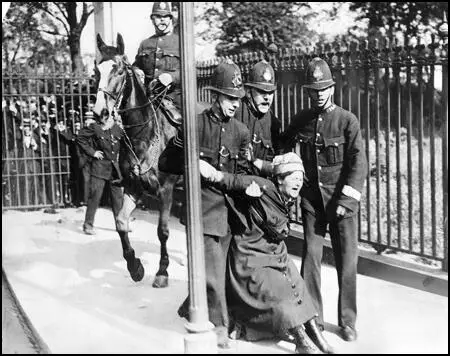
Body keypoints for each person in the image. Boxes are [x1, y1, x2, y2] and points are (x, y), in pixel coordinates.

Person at [197, 152, 334, 354]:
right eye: (293, 177)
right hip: (250, 256)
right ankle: (301, 340)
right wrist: (214, 175)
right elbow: (233, 180)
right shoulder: (262, 185)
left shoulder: (286, 196)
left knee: (297, 285)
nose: (298, 183)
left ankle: (316, 336)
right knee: (281, 290)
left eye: (299, 178)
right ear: (280, 178)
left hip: (275, 253)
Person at [158, 60, 250, 348]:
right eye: (229, 98)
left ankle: (198, 308)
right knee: (211, 270)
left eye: (237, 99)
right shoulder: (195, 125)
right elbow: (166, 161)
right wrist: (193, 161)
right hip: (203, 210)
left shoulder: (241, 131)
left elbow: (243, 176)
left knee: (222, 270)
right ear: (215, 96)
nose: (234, 104)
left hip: (230, 213)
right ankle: (219, 327)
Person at [281, 57, 368, 342]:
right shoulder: (301, 120)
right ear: (308, 91)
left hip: (341, 203)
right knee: (311, 258)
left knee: (347, 262)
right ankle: (313, 318)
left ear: (331, 88)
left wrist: (347, 200)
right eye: (314, 90)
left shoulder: (347, 120)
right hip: (312, 202)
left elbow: (358, 164)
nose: (319, 94)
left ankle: (348, 321)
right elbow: (282, 143)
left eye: (324, 88)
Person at [133, 1, 182, 127]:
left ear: (171, 19)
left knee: (185, 125)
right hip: (148, 97)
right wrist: (137, 70)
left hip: (174, 96)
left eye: (166, 17)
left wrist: (172, 77)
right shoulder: (145, 43)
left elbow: (191, 70)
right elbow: (136, 65)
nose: (162, 20)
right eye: (158, 17)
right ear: (152, 19)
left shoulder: (180, 42)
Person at [76, 109, 124, 235]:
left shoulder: (117, 129)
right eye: (103, 118)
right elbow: (80, 138)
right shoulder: (95, 128)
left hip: (114, 168)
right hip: (99, 167)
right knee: (95, 197)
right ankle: (88, 225)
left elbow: (125, 145)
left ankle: (120, 225)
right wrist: (93, 152)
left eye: (108, 117)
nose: (106, 120)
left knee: (118, 198)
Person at [236, 59, 282, 176]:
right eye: (261, 91)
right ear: (248, 92)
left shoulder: (273, 123)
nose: (267, 97)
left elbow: (275, 163)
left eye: (270, 92)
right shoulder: (235, 113)